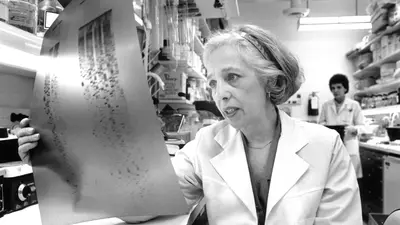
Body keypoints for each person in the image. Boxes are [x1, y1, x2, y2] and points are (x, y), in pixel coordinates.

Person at [17, 24, 362, 225]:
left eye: (232, 77)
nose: (220, 94)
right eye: (214, 82)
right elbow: (138, 199)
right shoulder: (207, 143)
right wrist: (55, 158)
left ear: (271, 82)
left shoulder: (324, 146)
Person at [319, 74, 365, 179]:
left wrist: (355, 129)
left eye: (339, 87)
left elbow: (362, 126)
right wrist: (327, 128)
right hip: (332, 145)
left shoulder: (354, 105)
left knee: (351, 178)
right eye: (333, 88)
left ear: (345, 88)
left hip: (349, 143)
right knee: (335, 179)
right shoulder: (326, 105)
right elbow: (320, 124)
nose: (335, 90)